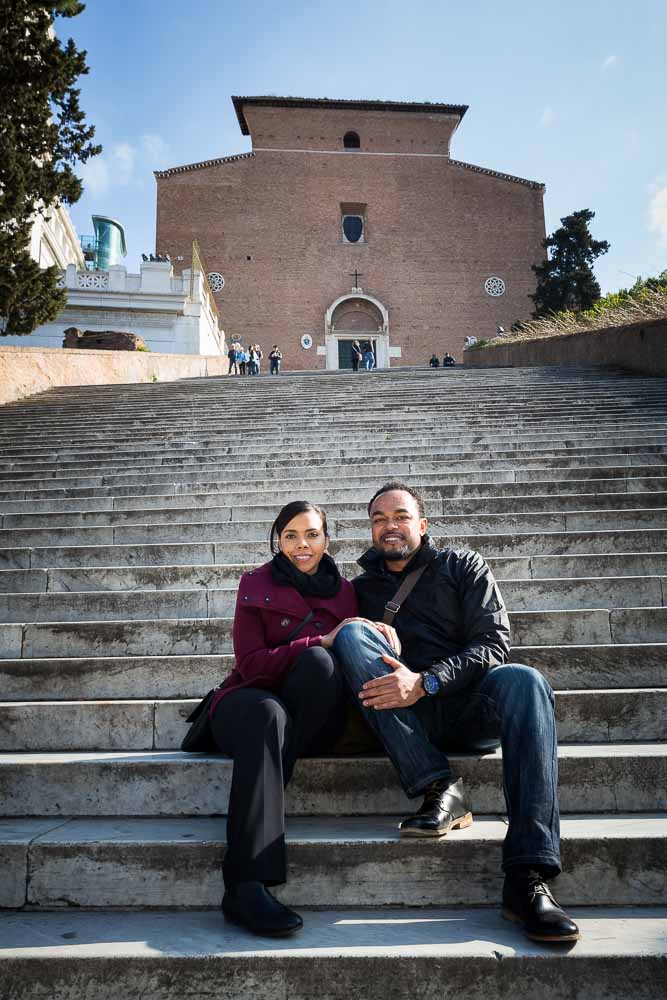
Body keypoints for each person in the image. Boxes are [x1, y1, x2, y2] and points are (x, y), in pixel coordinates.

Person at [332, 482, 580, 944]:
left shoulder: (462, 566)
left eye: (401, 516)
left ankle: (527, 878)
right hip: (406, 724)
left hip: (470, 707)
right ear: (370, 530)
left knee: (525, 680)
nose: (390, 525)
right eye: (379, 519)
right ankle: (438, 785)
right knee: (349, 636)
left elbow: (493, 644)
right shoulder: (358, 590)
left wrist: (425, 682)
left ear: (422, 526)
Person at [207, 501, 361, 937]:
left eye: (312, 534)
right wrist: (320, 639)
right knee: (271, 710)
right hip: (248, 703)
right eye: (290, 535)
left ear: (327, 539)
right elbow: (251, 663)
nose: (301, 545)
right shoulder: (255, 583)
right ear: (278, 540)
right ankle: (245, 887)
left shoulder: (347, 592)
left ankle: (270, 778)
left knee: (321, 665)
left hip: (313, 717)